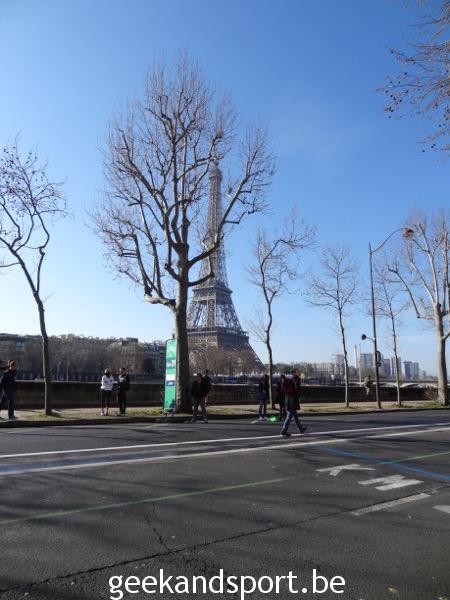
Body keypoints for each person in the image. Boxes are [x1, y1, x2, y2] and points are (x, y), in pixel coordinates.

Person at [281, 371, 307, 437]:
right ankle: (284, 430)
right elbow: (297, 389)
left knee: (295, 416)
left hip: (288, 399)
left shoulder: (290, 380)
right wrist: (298, 397)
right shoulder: (296, 379)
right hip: (292, 400)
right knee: (289, 415)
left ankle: (301, 429)